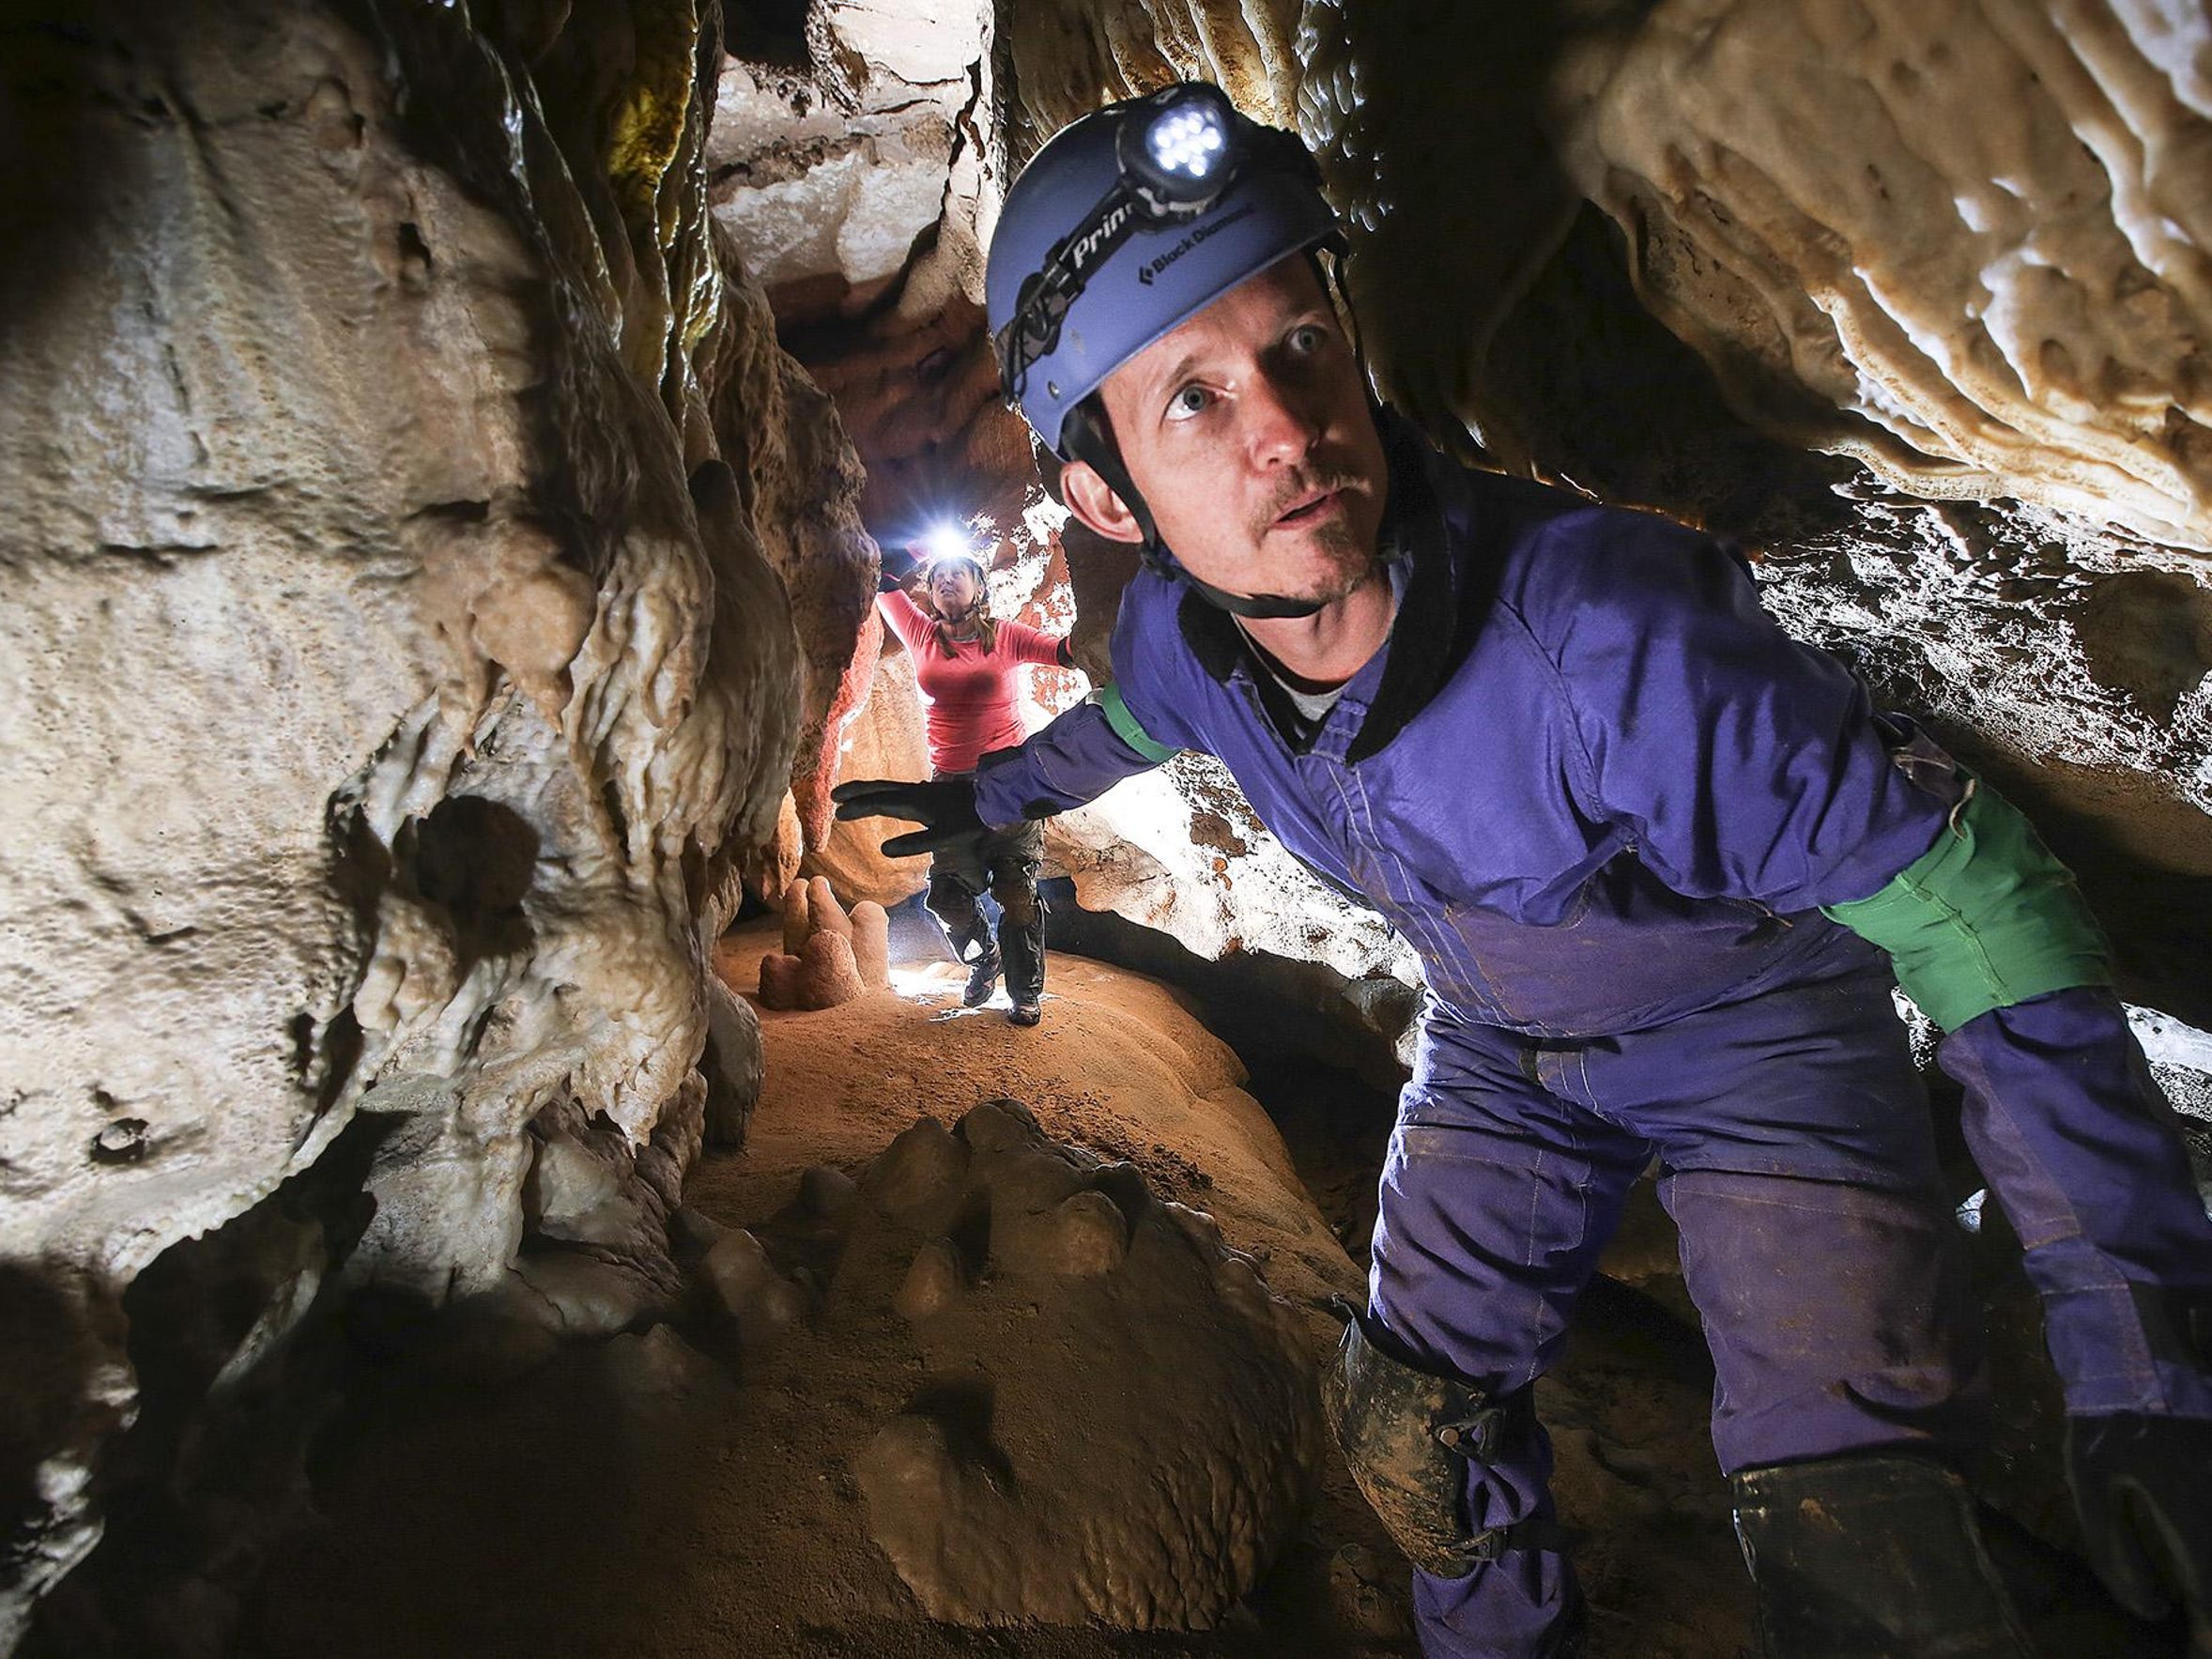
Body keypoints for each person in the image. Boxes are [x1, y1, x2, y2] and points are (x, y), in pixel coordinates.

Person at [835, 83, 2212, 1657]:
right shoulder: (1187, 635)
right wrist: (990, 793)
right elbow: (1127, 726)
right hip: (1504, 1053)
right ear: (1103, 495)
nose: (1285, 428)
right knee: (1413, 1437)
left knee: (1867, 1550)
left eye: (1299, 344)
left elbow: (1980, 905)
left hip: (1759, 1047)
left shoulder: (1605, 644)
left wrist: (2139, 1351)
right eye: (1194, 402)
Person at [874, 542, 1075, 1025]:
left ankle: (1025, 995)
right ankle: (985, 959)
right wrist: (925, 547)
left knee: (1016, 891)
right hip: (951, 789)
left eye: (959, 573)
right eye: (939, 575)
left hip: (1010, 785)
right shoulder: (920, 633)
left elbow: (1064, 652)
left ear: (980, 588)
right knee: (946, 896)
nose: (946, 580)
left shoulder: (1004, 637)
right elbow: (881, 579)